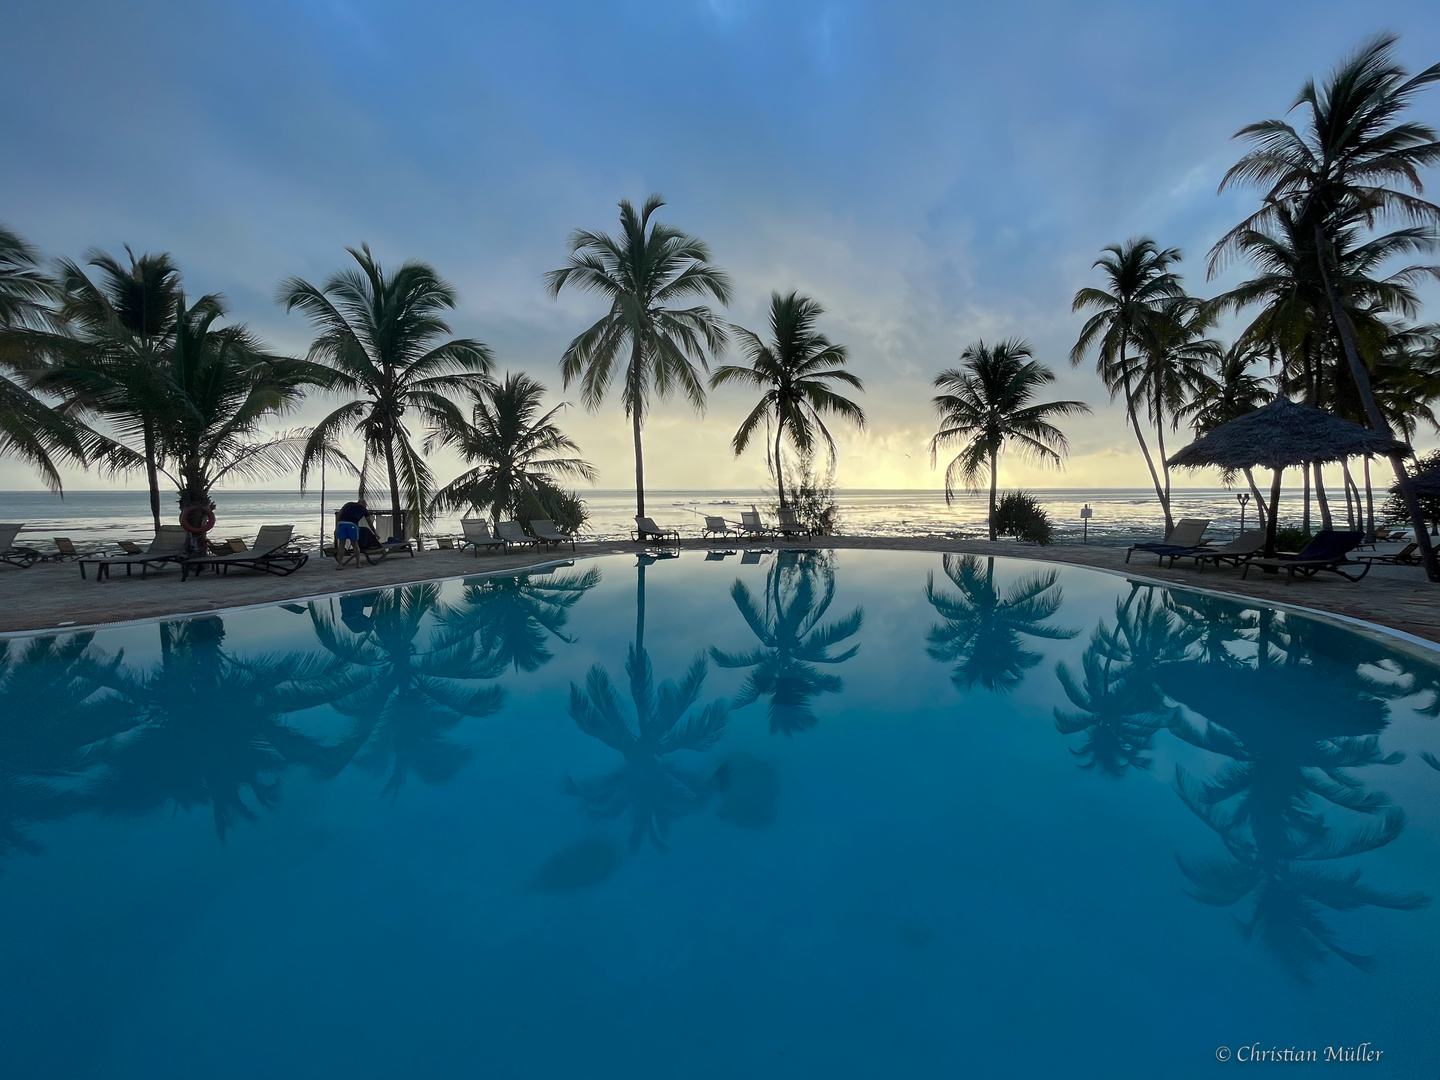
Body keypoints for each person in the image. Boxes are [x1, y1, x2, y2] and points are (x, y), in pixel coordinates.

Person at [335, 499, 374, 567]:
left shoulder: (348, 504)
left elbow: (339, 515)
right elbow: (369, 522)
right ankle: (358, 563)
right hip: (352, 525)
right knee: (355, 544)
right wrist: (375, 532)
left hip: (341, 524)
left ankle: (340, 564)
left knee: (341, 544)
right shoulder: (363, 509)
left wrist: (336, 528)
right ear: (364, 504)